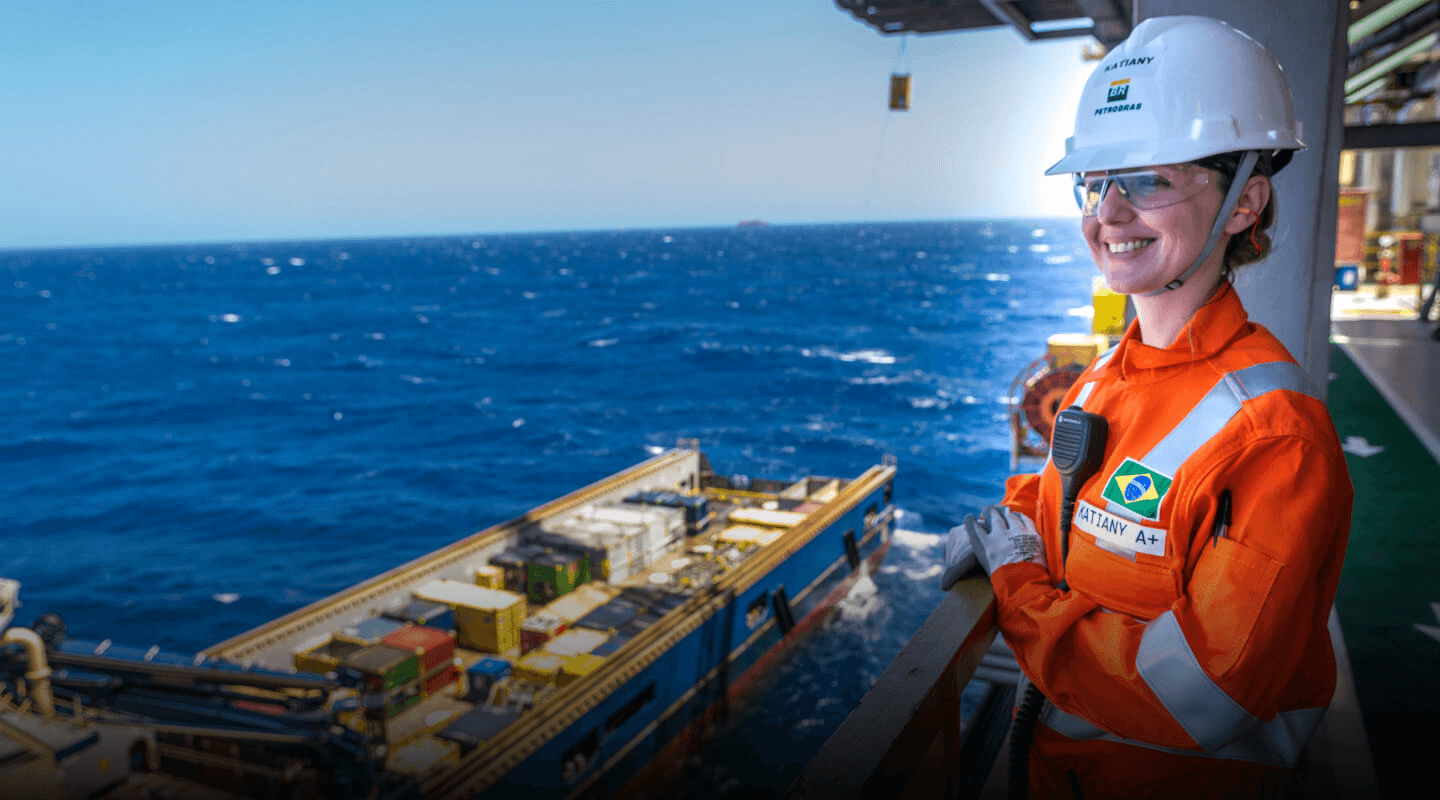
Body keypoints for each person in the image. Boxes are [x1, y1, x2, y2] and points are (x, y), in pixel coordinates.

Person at [940, 16, 1353, 799]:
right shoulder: (1106, 380)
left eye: (1150, 180)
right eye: (1095, 183)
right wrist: (1005, 526)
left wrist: (1020, 589)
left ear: (1243, 204)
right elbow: (1062, 503)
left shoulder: (1275, 435)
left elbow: (1205, 697)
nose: (1108, 215)